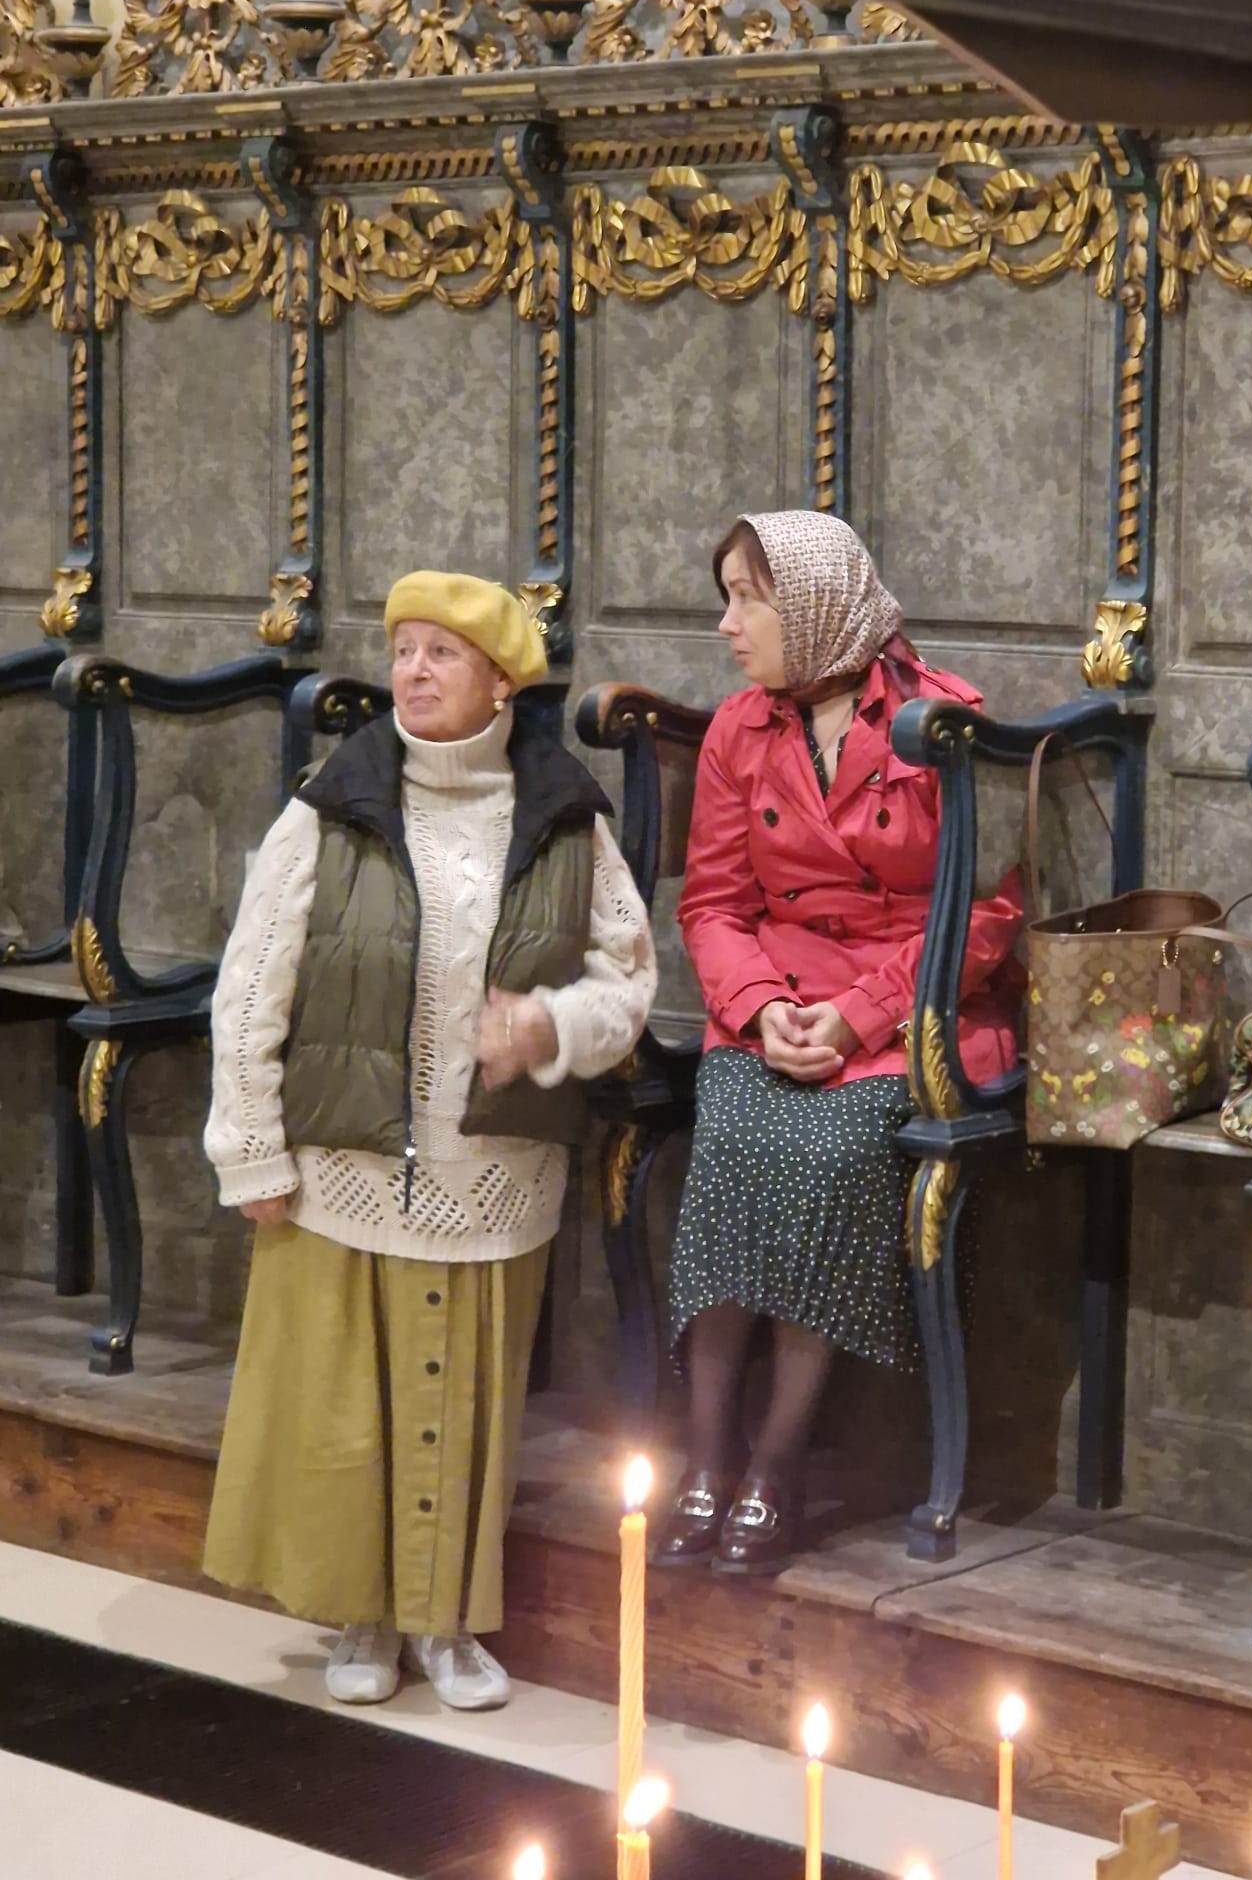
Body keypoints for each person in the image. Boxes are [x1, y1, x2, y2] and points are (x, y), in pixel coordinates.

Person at [202, 571, 656, 1708]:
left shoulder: (567, 819)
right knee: (347, 1410)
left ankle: (446, 1624)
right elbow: (251, 985)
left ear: (500, 681)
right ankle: (362, 1619)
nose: (411, 670)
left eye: (440, 653)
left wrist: (549, 1025)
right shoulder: (333, 804)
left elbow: (628, 984)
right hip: (343, 1166)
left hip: (491, 1170)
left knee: (461, 1410)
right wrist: (250, 1146)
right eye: (402, 649)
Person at [655, 511, 1025, 1576]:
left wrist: (861, 1014)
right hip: (772, 1007)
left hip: (904, 1012)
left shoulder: (941, 722)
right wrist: (760, 1006)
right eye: (726, 598)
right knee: (730, 1143)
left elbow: (985, 918)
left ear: (815, 604)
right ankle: (709, 1449)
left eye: (748, 599)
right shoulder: (739, 730)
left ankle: (776, 1462)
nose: (728, 624)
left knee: (828, 1155)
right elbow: (713, 904)